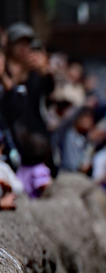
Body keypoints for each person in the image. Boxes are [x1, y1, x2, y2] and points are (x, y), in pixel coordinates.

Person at [2, 22, 56, 197]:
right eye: (20, 43)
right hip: (13, 142)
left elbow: (49, 92)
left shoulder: (35, 73)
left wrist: (45, 72)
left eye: (28, 44)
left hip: (37, 142)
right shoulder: (5, 71)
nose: (24, 49)